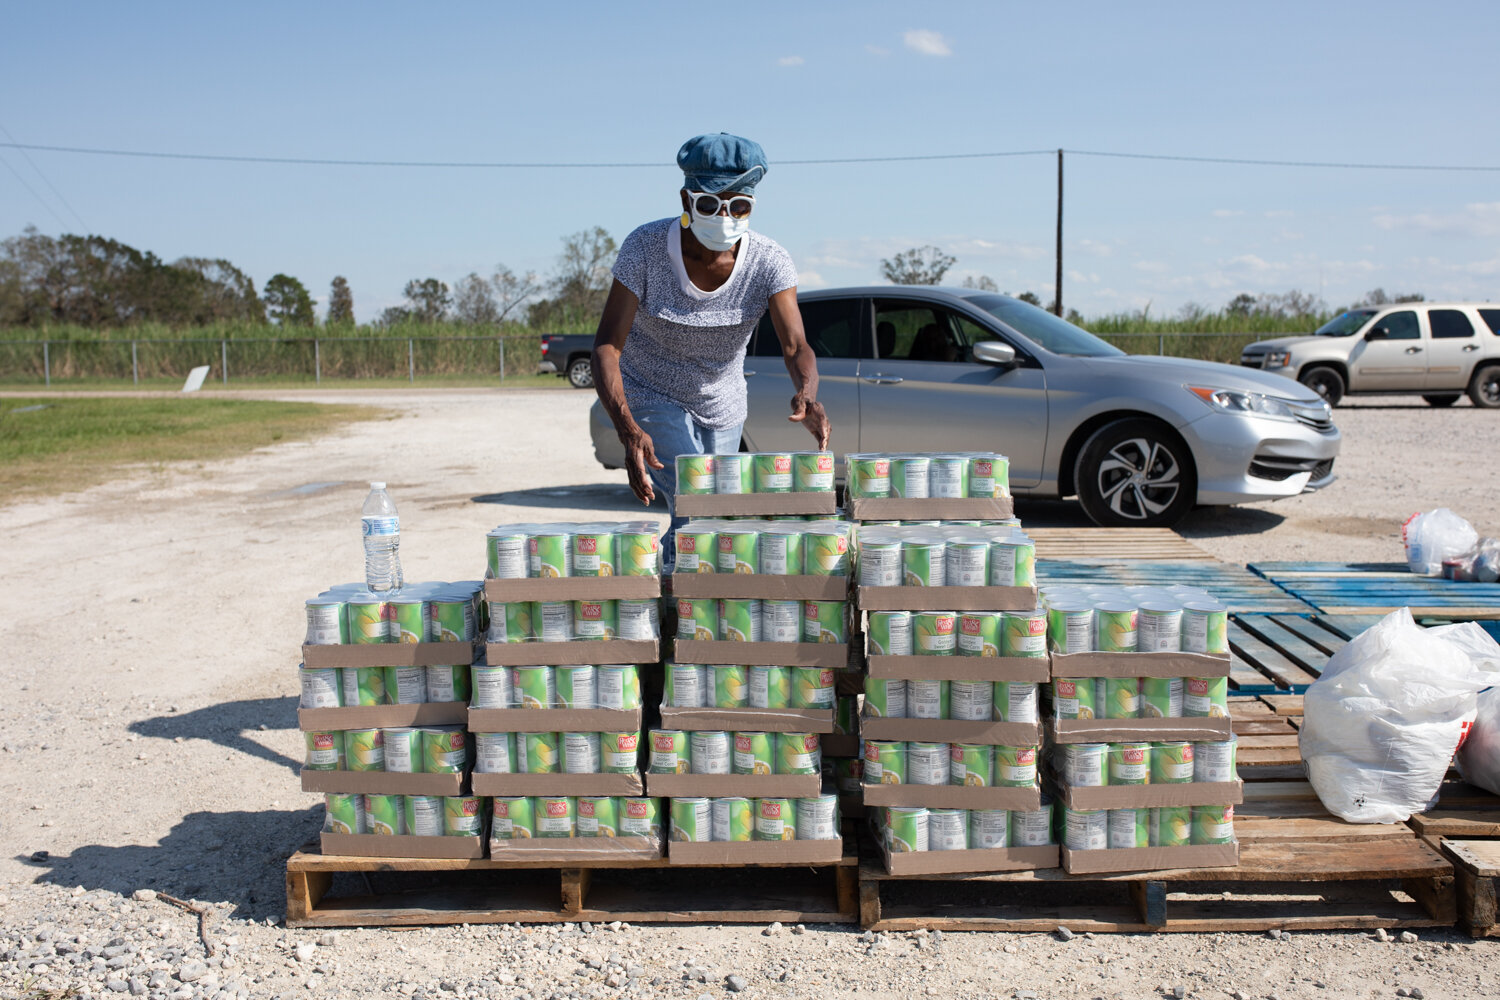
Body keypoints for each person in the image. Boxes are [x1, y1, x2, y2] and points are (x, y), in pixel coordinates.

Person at [592, 133, 829, 567]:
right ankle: (684, 598)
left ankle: (670, 581)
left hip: (723, 403)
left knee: (713, 513)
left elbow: (796, 345)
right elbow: (607, 346)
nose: (724, 217)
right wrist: (627, 428)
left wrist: (808, 391)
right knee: (697, 498)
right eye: (709, 204)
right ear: (686, 200)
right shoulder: (645, 248)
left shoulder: (769, 261)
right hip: (651, 391)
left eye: (738, 206)